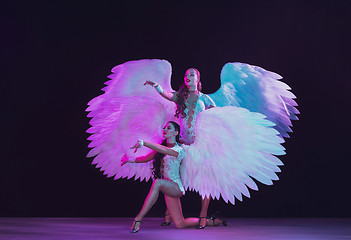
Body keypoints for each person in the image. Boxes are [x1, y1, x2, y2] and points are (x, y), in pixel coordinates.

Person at [121, 121, 224, 233]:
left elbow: (164, 150)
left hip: (176, 188)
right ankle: (212, 222)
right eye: (165, 128)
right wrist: (129, 160)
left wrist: (144, 143)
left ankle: (138, 219)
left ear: (176, 132)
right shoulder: (163, 148)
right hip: (168, 188)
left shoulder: (179, 150)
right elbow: (147, 158)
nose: (165, 130)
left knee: (157, 183)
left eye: (169, 128)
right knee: (180, 223)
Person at [144, 68, 215, 228]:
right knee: (173, 176)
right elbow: (168, 95)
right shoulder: (181, 97)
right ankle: (169, 213)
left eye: (191, 75)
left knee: (205, 179)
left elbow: (216, 118)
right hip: (182, 143)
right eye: (186, 75)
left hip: (199, 144)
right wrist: (157, 86)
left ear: (198, 79)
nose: (188, 77)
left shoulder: (206, 99)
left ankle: (203, 215)